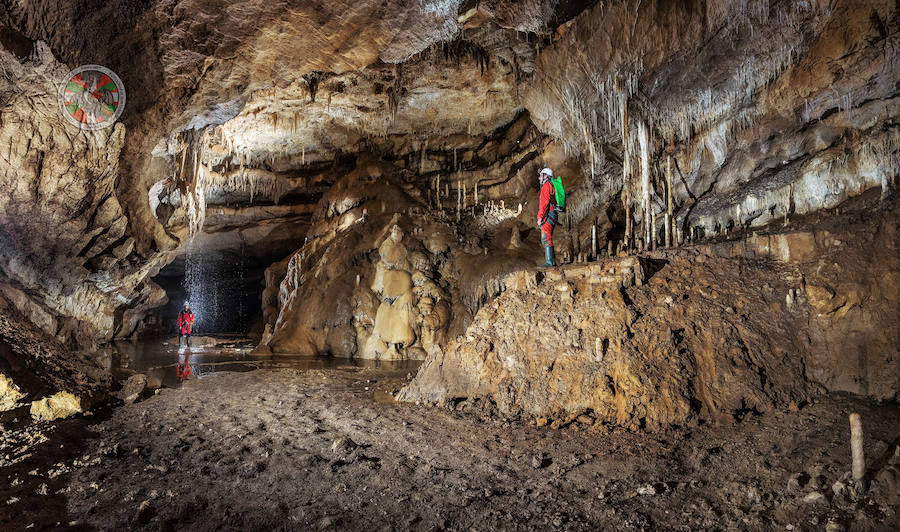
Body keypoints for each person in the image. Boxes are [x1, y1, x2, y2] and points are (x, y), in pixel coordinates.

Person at [537, 167, 558, 267]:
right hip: (552, 214)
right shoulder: (551, 185)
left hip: (548, 215)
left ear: (546, 176)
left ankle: (550, 262)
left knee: (546, 237)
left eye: (541, 175)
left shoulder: (546, 186)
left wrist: (540, 217)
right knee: (547, 237)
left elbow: (544, 203)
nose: (539, 178)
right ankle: (551, 261)